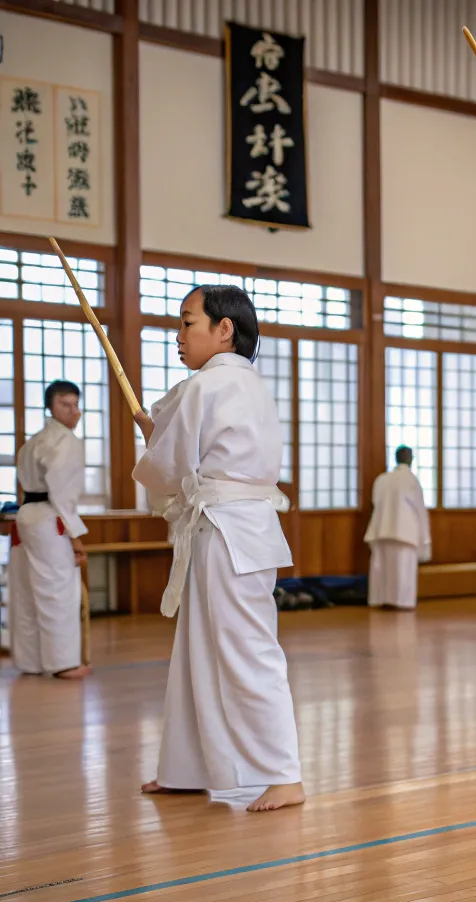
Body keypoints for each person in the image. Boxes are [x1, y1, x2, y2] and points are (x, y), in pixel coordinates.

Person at [133, 284, 304, 814]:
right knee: (197, 652)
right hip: (232, 529)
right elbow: (185, 445)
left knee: (246, 651)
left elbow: (167, 464)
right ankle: (186, 768)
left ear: (224, 329)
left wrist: (153, 436)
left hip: (228, 530)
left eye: (188, 323)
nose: (178, 336)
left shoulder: (208, 385)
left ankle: (283, 774)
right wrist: (158, 433)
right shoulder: (245, 386)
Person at [7, 380, 90, 680]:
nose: (73, 412)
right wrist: (76, 540)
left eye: (76, 404)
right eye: (65, 404)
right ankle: (63, 663)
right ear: (51, 407)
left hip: (27, 516)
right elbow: (63, 496)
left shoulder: (35, 441)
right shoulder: (66, 441)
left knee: (27, 589)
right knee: (57, 589)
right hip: (49, 517)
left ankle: (31, 661)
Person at [364, 445, 431, 609]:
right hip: (404, 530)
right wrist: (425, 539)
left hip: (381, 528)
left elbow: (375, 502)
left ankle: (381, 599)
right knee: (403, 569)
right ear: (411, 459)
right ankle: (402, 602)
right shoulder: (411, 480)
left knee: (382, 568)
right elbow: (419, 510)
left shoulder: (382, 479)